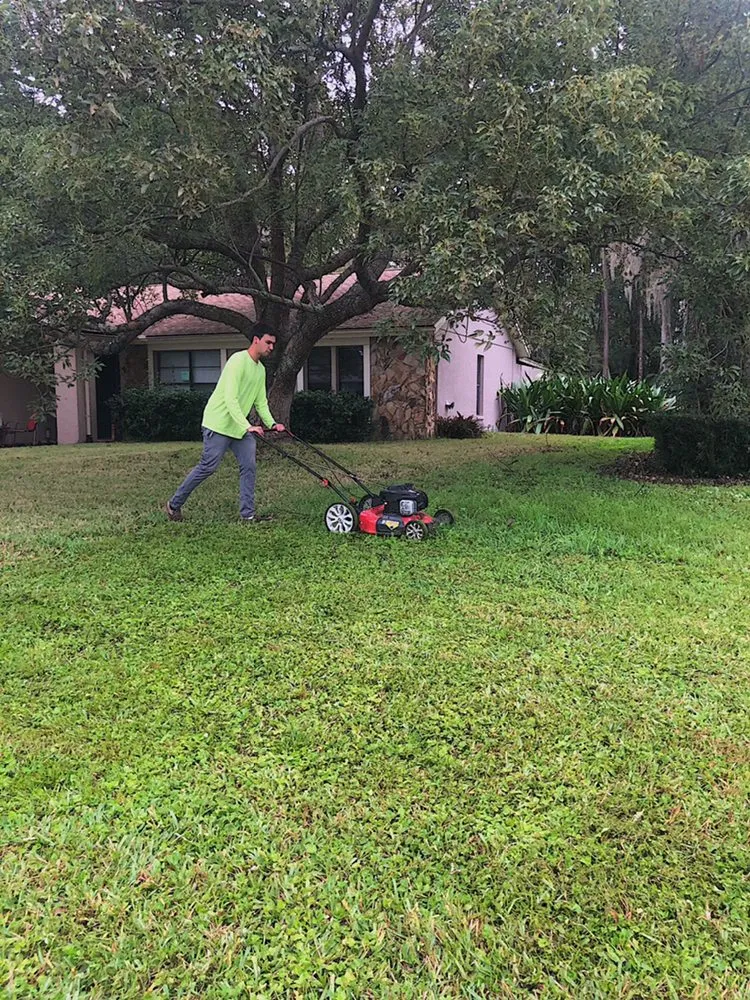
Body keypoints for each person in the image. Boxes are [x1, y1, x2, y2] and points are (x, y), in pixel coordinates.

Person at [165, 323, 286, 523]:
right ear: (256, 340)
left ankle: (248, 515)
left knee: (249, 466)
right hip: (218, 424)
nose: (271, 347)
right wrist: (247, 426)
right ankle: (173, 505)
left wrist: (273, 423)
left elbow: (261, 402)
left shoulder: (260, 370)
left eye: (273, 343)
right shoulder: (237, 361)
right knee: (208, 467)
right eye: (268, 342)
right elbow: (231, 399)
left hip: (239, 429)